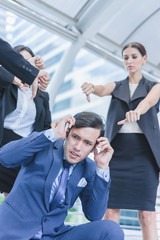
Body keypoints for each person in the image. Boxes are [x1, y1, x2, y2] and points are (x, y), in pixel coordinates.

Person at [0, 112, 124, 240]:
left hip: (53, 235)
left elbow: (94, 215)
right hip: (14, 230)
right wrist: (52, 134)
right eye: (75, 137)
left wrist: (102, 167)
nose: (77, 147)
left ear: (94, 147)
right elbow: (5, 157)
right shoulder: (44, 145)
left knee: (112, 230)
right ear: (67, 133)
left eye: (87, 143)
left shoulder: (90, 169)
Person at [81, 42, 160, 240]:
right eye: (126, 57)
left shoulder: (155, 86)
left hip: (145, 156)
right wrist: (92, 87)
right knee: (110, 212)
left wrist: (137, 112)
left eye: (134, 56)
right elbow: (102, 89)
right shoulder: (117, 86)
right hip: (116, 155)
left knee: (147, 215)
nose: (129, 61)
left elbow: (149, 101)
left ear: (144, 59)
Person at [0, 45, 51, 198]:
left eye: (29, 61)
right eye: (21, 60)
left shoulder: (42, 95)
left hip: (22, 150)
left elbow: (45, 126)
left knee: (14, 197)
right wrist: (16, 78)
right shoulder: (6, 84)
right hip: (2, 141)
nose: (26, 64)